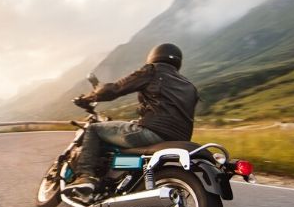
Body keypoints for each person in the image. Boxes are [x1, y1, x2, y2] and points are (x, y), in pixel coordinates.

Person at [65, 43, 199, 195]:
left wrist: (89, 97)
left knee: (93, 129)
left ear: (154, 57)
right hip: (179, 139)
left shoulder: (152, 70)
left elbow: (115, 89)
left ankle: (85, 177)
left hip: (152, 132)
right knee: (130, 130)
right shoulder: (189, 86)